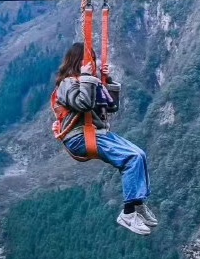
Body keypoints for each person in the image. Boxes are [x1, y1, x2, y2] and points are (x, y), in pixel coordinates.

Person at [51, 41, 156, 235]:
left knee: (139, 154)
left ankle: (138, 202)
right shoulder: (66, 84)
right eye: (91, 59)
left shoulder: (88, 80)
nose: (94, 63)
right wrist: (87, 77)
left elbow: (111, 107)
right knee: (130, 158)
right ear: (80, 62)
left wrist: (106, 79)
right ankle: (128, 212)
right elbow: (83, 104)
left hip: (96, 132)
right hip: (80, 136)